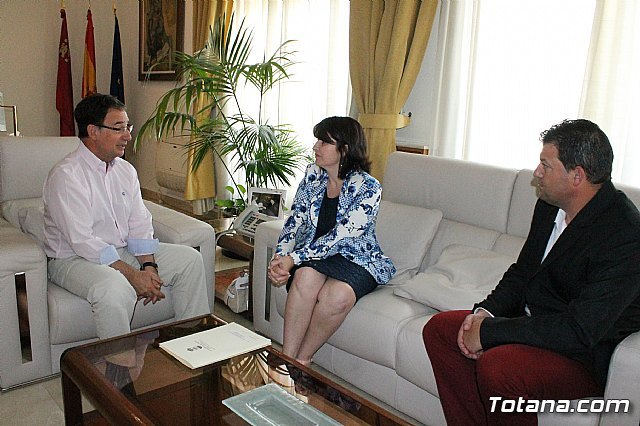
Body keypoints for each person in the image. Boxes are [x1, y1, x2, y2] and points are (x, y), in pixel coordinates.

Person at [423, 119, 640, 425]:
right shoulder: (550, 205)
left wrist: (489, 332)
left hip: (581, 355)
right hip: (534, 326)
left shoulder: (625, 235)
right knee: (441, 330)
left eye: (545, 165)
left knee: (500, 368)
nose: (537, 173)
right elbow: (522, 273)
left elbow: (579, 330)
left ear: (577, 175)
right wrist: (484, 313)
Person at [43, 93, 210, 342]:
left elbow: (139, 222)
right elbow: (82, 241)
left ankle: (192, 344)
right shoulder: (67, 176)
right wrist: (133, 275)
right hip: (73, 259)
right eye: (118, 128)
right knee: (114, 288)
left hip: (121, 251)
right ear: (93, 131)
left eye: (127, 127)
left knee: (189, 259)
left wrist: (148, 267)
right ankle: (119, 362)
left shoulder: (125, 170)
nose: (128, 136)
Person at [268, 116, 395, 368]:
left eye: (324, 142)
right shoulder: (313, 175)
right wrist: (280, 257)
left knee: (337, 296)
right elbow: (294, 220)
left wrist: (294, 258)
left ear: (344, 149)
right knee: (304, 277)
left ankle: (301, 362)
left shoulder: (369, 188)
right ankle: (287, 358)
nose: (315, 147)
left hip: (356, 257)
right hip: (316, 254)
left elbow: (341, 236)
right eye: (317, 140)